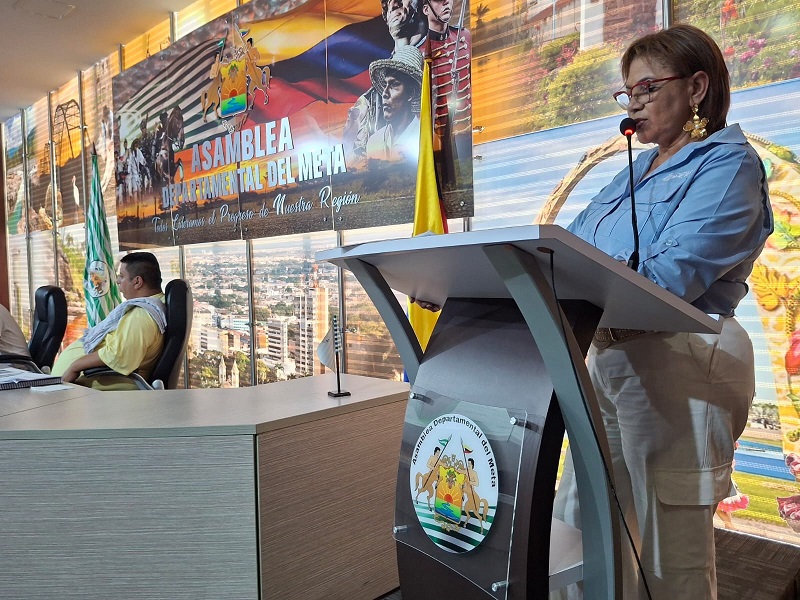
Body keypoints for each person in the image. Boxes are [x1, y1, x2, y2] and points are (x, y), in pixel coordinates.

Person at [552, 24, 773, 600]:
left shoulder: (729, 166)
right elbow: (565, 250)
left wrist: (569, 282)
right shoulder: (630, 171)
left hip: (683, 359)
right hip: (605, 357)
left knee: (669, 552)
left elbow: (674, 275)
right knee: (583, 524)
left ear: (697, 87)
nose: (634, 103)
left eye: (647, 88)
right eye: (628, 92)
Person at [52, 252, 166, 390]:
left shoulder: (141, 316)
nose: (117, 281)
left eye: (122, 276)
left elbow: (118, 356)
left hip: (86, 387)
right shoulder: (156, 303)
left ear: (137, 282)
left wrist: (75, 367)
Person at [342, 0, 428, 160]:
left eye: (401, 2)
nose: (393, 5)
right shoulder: (370, 100)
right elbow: (354, 154)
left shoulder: (440, 58)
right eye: (389, 6)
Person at [365, 45, 423, 163]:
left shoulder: (424, 137)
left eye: (394, 84)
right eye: (385, 85)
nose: (384, 93)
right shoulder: (374, 142)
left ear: (411, 93)